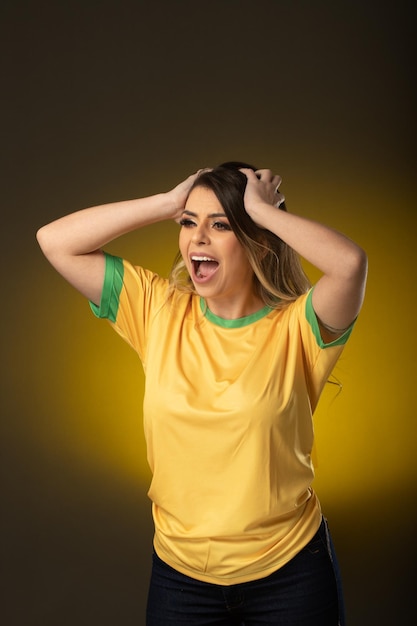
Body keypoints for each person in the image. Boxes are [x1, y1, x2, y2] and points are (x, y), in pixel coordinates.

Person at [36, 161, 367, 626]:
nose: (198, 239)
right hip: (181, 577)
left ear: (256, 241)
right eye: (190, 224)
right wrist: (169, 202)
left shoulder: (300, 327)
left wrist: (263, 211)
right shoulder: (156, 309)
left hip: (289, 572)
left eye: (221, 225)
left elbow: (350, 265)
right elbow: (55, 241)